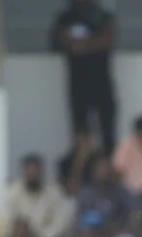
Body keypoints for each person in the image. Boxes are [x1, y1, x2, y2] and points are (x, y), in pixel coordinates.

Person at [50, 0, 118, 153]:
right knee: (80, 130)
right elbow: (58, 41)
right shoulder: (66, 17)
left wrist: (79, 45)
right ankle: (82, 164)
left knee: (107, 128)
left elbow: (107, 40)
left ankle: (108, 162)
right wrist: (90, 43)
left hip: (101, 81)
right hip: (78, 83)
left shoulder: (103, 16)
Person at [5, 154, 76, 237]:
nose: (32, 173)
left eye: (35, 170)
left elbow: (59, 225)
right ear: (23, 171)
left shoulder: (54, 193)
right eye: (29, 169)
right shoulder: (13, 192)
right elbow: (7, 222)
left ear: (41, 171)